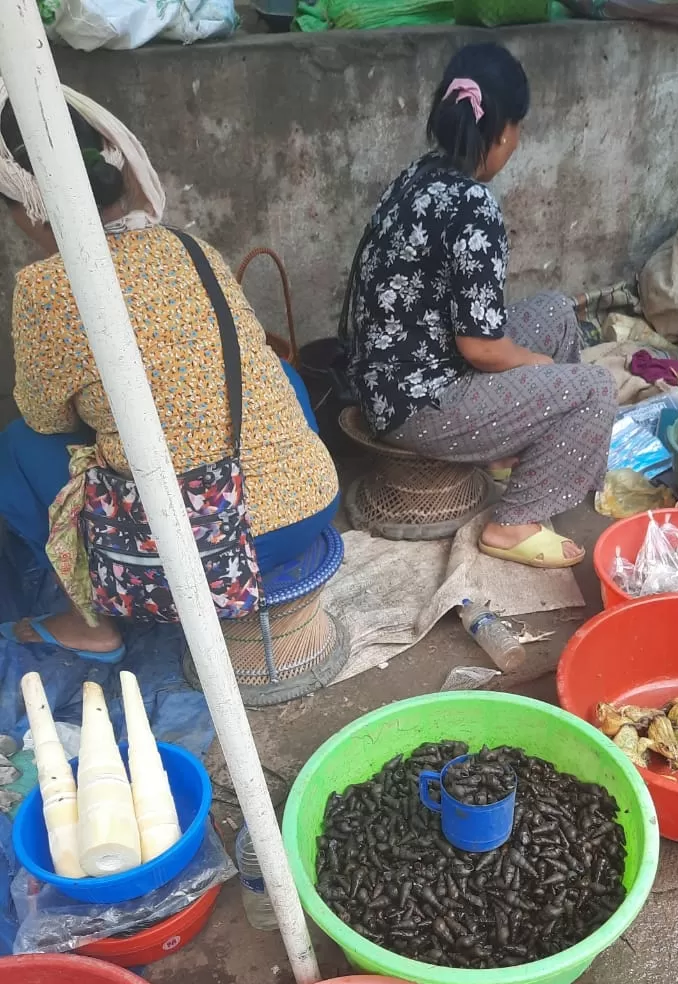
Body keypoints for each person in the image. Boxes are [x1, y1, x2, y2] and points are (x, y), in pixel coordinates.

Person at [0, 85, 339, 662]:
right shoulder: (193, 248)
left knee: (16, 446)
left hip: (217, 545)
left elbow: (45, 416)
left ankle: (93, 623)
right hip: (311, 505)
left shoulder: (47, 287)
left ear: (25, 205)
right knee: (277, 374)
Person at [346, 43, 617, 569]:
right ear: (501, 131)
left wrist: (534, 368)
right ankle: (513, 523)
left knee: (559, 313)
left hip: (391, 378)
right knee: (594, 390)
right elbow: (483, 348)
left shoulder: (418, 175)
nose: (517, 142)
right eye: (518, 128)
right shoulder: (474, 206)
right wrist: (540, 369)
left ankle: (507, 455)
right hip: (416, 405)